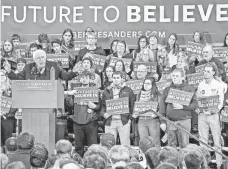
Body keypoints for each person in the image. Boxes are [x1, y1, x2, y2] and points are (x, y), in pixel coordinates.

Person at [65, 70, 101, 156]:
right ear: (80, 79)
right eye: (82, 78)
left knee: (93, 147)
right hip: (77, 121)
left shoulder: (95, 90)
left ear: (90, 79)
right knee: (78, 148)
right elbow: (69, 106)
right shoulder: (75, 91)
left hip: (91, 122)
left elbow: (100, 107)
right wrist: (69, 95)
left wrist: (94, 107)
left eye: (86, 78)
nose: (84, 79)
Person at [159, 68, 198, 148]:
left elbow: (195, 104)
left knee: (184, 145)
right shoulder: (167, 90)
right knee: (171, 146)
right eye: (173, 76)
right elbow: (162, 106)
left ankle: (183, 161)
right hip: (170, 121)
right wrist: (162, 121)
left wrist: (183, 107)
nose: (174, 78)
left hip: (184, 121)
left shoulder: (189, 89)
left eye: (177, 76)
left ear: (182, 77)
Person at [196, 62, 224, 169]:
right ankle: (205, 163)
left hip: (213, 115)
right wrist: (198, 108)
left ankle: (219, 164)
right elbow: (198, 99)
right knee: (203, 140)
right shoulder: (200, 84)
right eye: (205, 71)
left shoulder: (218, 84)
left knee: (217, 139)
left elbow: (220, 101)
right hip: (202, 115)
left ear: (213, 72)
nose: (206, 73)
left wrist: (214, 111)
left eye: (208, 71)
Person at [101, 71, 136, 146]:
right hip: (110, 121)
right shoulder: (106, 91)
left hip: (123, 121)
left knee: (125, 145)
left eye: (118, 78)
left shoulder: (128, 90)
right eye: (114, 78)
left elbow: (132, 105)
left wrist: (130, 119)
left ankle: (126, 158)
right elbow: (102, 106)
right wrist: (103, 114)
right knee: (108, 145)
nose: (116, 79)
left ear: (122, 79)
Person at [4, 50, 79, 80]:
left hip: (50, 98)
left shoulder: (54, 65)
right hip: (32, 97)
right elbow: (18, 79)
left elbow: (65, 76)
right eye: (38, 58)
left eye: (43, 57)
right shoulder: (28, 67)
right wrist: (9, 71)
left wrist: (74, 72)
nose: (41, 60)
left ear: (46, 57)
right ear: (34, 60)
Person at [133, 77, 160, 146]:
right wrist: (135, 114)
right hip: (141, 120)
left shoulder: (157, 95)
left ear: (152, 85)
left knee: (155, 142)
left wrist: (157, 114)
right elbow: (137, 107)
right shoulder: (139, 95)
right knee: (144, 143)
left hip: (153, 120)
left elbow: (161, 108)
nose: (146, 85)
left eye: (148, 83)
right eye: (144, 83)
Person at [1, 70, 16, 146]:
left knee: (7, 141)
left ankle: (6, 156)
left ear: (6, 77)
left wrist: (8, 113)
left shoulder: (11, 89)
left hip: (7, 118)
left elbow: (16, 103)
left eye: (2, 75)